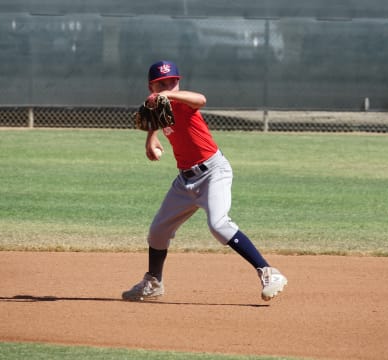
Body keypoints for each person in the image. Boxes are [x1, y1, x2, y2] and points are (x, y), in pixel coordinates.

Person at [122, 60, 287, 302]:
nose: (169, 86)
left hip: (213, 173)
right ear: (151, 86)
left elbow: (201, 99)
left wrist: (167, 94)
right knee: (158, 231)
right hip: (185, 181)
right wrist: (151, 139)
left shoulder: (184, 103)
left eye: (173, 81)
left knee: (218, 225)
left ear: (179, 82)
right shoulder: (159, 106)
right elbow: (156, 120)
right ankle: (153, 283)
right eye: (162, 83)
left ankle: (269, 272)